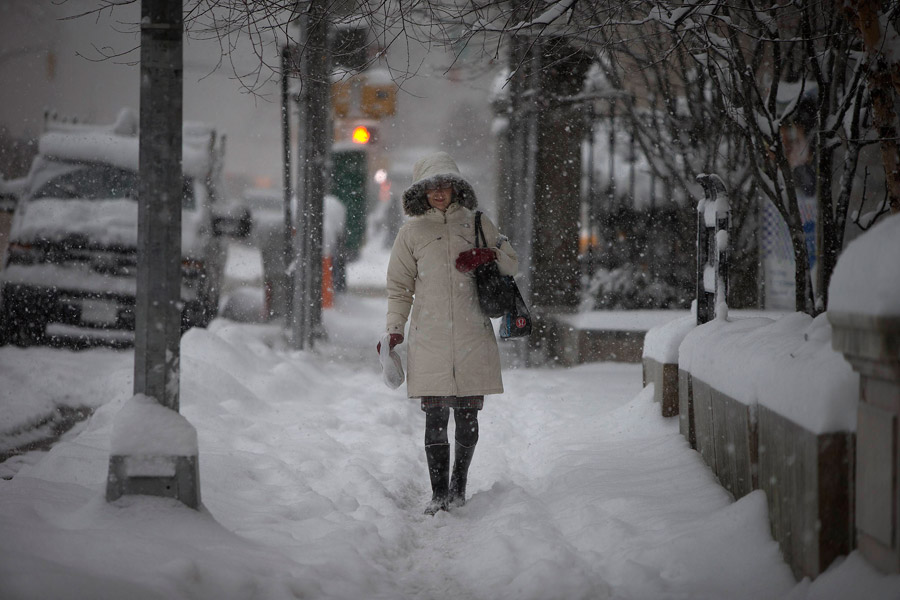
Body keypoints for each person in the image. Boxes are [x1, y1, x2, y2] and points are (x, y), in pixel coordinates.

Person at [380, 151, 518, 515]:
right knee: (436, 416)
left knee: (468, 416)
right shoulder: (411, 233)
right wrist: (395, 329)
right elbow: (399, 287)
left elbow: (511, 262)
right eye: (431, 187)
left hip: (472, 331)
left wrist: (487, 254)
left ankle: (459, 488)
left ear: (456, 187)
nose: (439, 193)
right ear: (421, 192)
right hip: (430, 337)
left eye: (445, 185)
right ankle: (439, 495)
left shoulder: (477, 222)